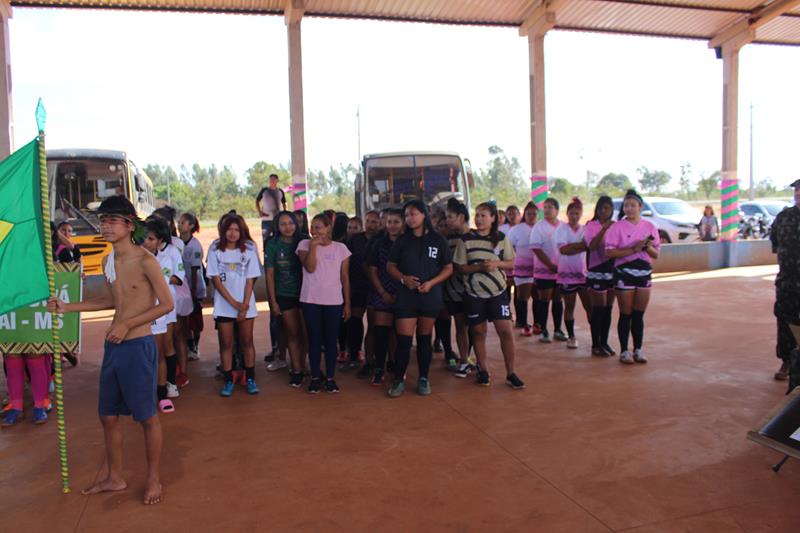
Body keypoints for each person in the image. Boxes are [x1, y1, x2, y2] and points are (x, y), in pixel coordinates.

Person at [47, 195, 172, 505]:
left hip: (138, 345)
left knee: (147, 417)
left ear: (130, 225)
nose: (105, 225)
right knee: (108, 416)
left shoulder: (146, 260)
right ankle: (115, 477)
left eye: (112, 220)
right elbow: (109, 300)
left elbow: (166, 304)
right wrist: (67, 306)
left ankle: (154, 477)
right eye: (102, 220)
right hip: (114, 347)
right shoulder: (107, 259)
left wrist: (127, 325)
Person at [453, 202, 525, 389]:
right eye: (477, 215)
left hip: (498, 293)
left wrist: (496, 265)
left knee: (506, 331)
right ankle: (483, 371)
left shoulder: (501, 238)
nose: (479, 218)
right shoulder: (466, 239)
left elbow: (511, 263)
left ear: (493, 218)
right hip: (474, 294)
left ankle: (511, 373)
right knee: (478, 332)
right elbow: (459, 267)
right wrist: (478, 267)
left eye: (483, 215)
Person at [386, 200, 453, 398]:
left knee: (425, 339)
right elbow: (390, 266)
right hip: (406, 297)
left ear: (424, 215)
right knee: (404, 341)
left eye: (413, 213)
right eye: (407, 215)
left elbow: (448, 268)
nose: (410, 218)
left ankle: (424, 378)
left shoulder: (438, 240)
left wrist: (432, 283)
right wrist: (403, 279)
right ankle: (399, 379)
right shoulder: (402, 240)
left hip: (430, 297)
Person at [207, 214, 262, 396]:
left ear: (242, 231)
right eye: (229, 229)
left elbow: (250, 280)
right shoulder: (215, 248)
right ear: (223, 230)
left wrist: (244, 305)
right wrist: (234, 304)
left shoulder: (249, 248)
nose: (232, 233)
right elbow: (216, 281)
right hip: (225, 305)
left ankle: (250, 378)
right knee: (226, 344)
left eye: (236, 230)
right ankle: (228, 380)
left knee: (247, 342)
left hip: (246, 304)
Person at [297, 214, 351, 394]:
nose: (314, 230)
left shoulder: (341, 249)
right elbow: (310, 268)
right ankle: (314, 377)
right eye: (312, 227)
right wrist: (313, 247)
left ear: (329, 228)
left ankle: (330, 378)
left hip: (334, 301)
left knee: (330, 340)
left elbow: (345, 278)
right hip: (311, 299)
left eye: (319, 227)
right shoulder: (304, 245)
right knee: (314, 339)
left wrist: (347, 303)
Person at [605, 189, 660, 364]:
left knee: (638, 314)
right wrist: (633, 249)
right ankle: (624, 351)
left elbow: (656, 254)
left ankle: (638, 349)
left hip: (644, 273)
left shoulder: (650, 227)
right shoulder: (617, 227)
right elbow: (609, 252)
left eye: (633, 205)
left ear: (640, 207)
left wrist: (645, 247)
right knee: (625, 313)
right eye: (626, 206)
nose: (629, 208)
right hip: (624, 273)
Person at [142, 217, 185, 413]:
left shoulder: (169, 255)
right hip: (140, 310)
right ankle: (144, 392)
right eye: (143, 238)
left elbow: (179, 278)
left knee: (162, 349)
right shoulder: (134, 258)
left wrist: (160, 279)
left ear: (159, 241)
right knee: (142, 353)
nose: (146, 242)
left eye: (151, 238)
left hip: (163, 308)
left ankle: (164, 390)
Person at [265, 211, 306, 387]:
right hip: (284, 295)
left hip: (307, 294)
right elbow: (269, 275)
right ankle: (296, 370)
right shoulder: (272, 245)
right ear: (276, 226)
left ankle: (303, 366)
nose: (287, 227)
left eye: (291, 223)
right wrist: (273, 301)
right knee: (293, 333)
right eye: (283, 224)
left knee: (306, 333)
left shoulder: (304, 241)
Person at [366, 208, 404, 386]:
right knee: (381, 332)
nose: (392, 225)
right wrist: (382, 292)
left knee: (400, 333)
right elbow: (372, 270)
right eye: (389, 222)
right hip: (382, 293)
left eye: (396, 221)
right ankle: (379, 368)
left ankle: (396, 366)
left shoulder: (409, 243)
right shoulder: (379, 244)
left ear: (403, 223)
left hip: (404, 294)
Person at [770, 179, 800, 382]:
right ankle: (788, 360)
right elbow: (775, 243)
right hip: (788, 280)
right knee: (784, 319)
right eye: (797, 190)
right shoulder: (784, 217)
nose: (798, 193)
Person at [555, 198, 591, 349]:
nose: (574, 216)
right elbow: (563, 250)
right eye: (571, 213)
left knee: (590, 306)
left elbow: (587, 247)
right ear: (567, 213)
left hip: (583, 274)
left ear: (581, 213)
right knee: (569, 306)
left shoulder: (585, 229)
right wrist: (581, 246)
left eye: (577, 213)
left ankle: (596, 335)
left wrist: (573, 247)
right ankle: (571, 336)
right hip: (566, 274)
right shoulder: (561, 229)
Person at [444, 198, 473, 378]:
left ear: (461, 217)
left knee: (476, 328)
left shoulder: (475, 237)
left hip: (475, 291)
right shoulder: (445, 240)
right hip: (454, 290)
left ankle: (470, 358)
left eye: (450, 217)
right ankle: (464, 360)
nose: (447, 221)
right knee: (461, 326)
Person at [584, 196, 617, 357]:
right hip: (596, 269)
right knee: (599, 308)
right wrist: (604, 229)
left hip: (612, 269)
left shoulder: (616, 225)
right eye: (601, 208)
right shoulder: (591, 225)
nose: (604, 211)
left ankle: (604, 342)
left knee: (609, 308)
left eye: (607, 208)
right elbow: (592, 245)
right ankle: (595, 344)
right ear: (597, 210)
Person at [530, 197, 566, 343]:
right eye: (545, 207)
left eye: (550, 207)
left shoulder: (563, 226)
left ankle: (558, 330)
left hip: (561, 271)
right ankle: (543, 331)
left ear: (557, 210)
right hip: (544, 271)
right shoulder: (539, 226)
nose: (547, 210)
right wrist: (550, 265)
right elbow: (536, 248)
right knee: (544, 300)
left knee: (558, 299)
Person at [178, 213, 206, 363]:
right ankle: (189, 344)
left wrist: (194, 291)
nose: (179, 225)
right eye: (179, 222)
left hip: (194, 287)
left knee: (195, 319)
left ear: (191, 226)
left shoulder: (195, 245)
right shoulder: (176, 243)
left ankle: (195, 345)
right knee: (184, 318)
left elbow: (195, 270)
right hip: (181, 287)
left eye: (183, 222)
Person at [344, 217, 370, 371]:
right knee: (355, 319)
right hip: (357, 286)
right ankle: (354, 353)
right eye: (349, 227)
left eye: (355, 227)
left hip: (375, 286)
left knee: (377, 325)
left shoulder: (380, 240)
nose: (352, 230)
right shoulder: (352, 242)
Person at [508, 202, 538, 336]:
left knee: (537, 296)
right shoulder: (517, 229)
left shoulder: (541, 227)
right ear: (524, 215)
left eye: (534, 213)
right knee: (523, 295)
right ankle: (522, 322)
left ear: (538, 215)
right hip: (522, 268)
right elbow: (510, 247)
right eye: (529, 213)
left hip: (539, 269)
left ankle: (538, 323)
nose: (531, 216)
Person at [255, 173, 287, 248]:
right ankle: (266, 257)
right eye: (270, 180)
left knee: (278, 238)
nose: (272, 181)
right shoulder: (264, 190)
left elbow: (284, 202)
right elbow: (257, 201)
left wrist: (285, 213)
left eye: (274, 179)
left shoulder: (280, 191)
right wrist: (260, 212)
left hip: (277, 219)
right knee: (266, 239)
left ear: (277, 181)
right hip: (266, 219)